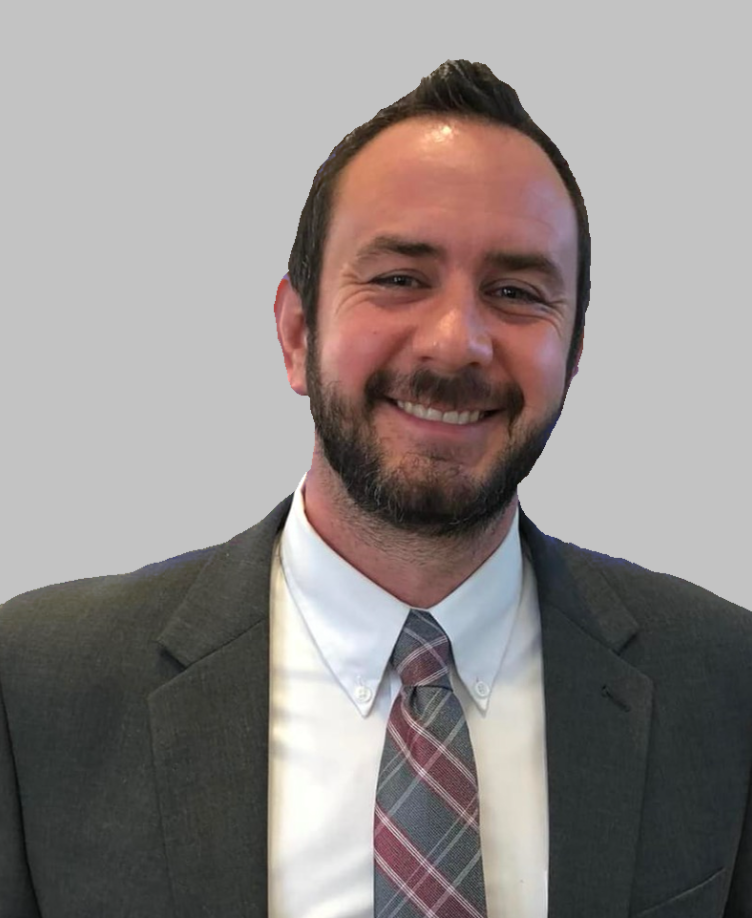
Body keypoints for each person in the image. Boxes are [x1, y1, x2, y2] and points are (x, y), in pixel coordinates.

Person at [1, 60, 750, 918]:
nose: (456, 341)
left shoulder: (724, 683)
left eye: (516, 292)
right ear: (295, 333)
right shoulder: (38, 687)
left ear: (573, 356)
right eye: (399, 278)